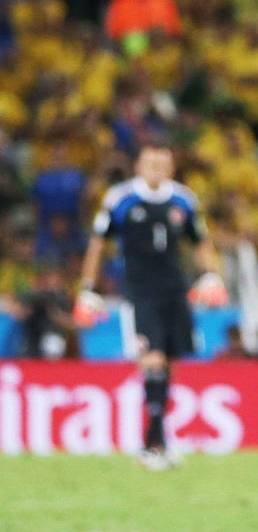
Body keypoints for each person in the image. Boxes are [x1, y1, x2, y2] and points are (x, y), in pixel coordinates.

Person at [77, 144, 226, 469]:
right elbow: (98, 243)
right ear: (139, 166)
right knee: (152, 359)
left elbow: (200, 241)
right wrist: (88, 287)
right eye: (150, 163)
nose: (156, 168)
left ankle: (157, 443)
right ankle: (151, 446)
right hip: (140, 291)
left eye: (162, 163)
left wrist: (211, 274)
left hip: (175, 290)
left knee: (170, 364)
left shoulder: (183, 199)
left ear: (171, 167)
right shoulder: (121, 199)